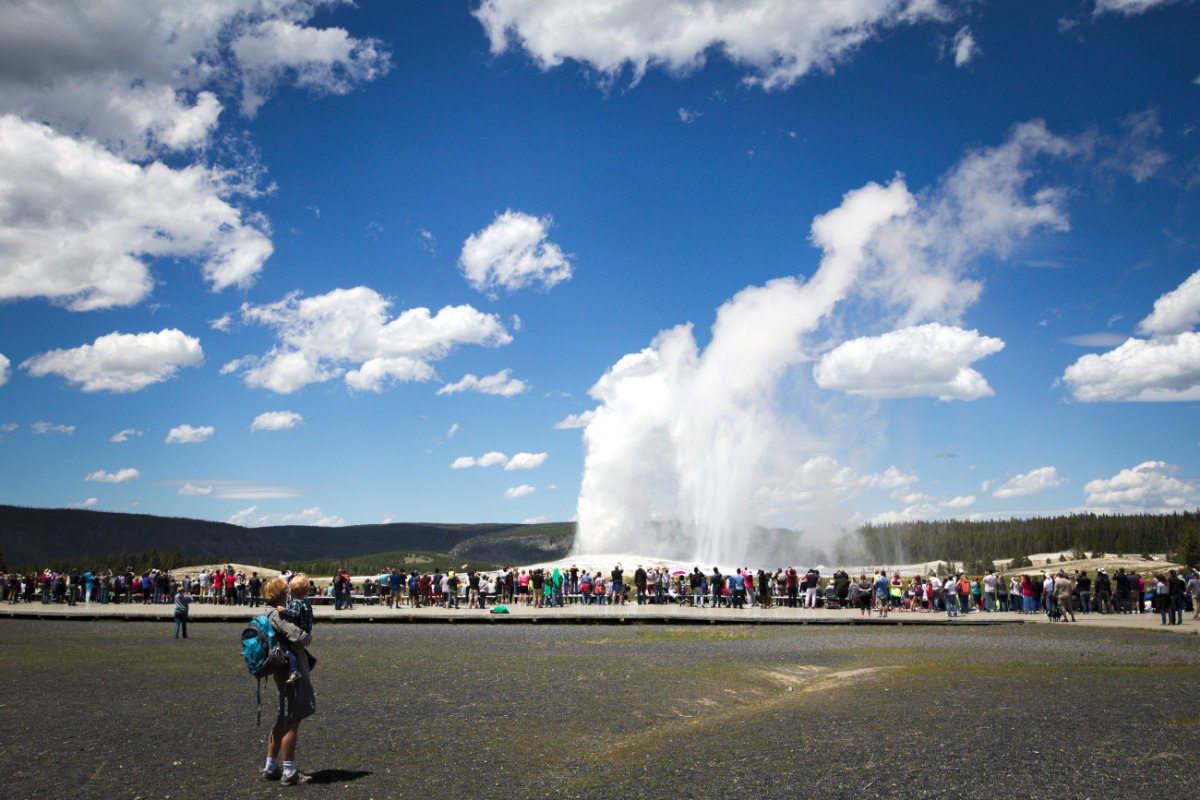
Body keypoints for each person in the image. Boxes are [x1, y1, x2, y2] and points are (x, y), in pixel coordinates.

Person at [260, 577, 315, 785]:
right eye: (284, 590)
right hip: (291, 671)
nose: (287, 592)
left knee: (282, 718)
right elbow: (299, 636)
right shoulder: (278, 613)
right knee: (293, 720)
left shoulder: (266, 611)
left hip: (278, 669)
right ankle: (289, 772)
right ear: (280, 594)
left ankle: (270, 767)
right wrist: (306, 640)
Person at [278, 574, 315, 685]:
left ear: (292, 591)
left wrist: (283, 610)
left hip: (297, 632)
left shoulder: (295, 603)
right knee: (300, 650)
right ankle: (309, 659)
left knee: (291, 650)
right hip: (306, 631)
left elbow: (294, 614)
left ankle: (294, 671)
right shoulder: (307, 603)